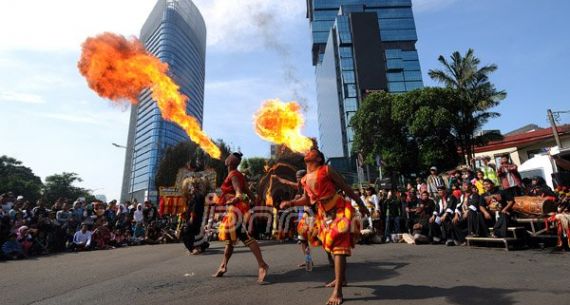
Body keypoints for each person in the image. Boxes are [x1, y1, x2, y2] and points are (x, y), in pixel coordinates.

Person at [280, 149, 369, 305]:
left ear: (319, 158)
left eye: (312, 151)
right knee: (330, 246)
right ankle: (342, 278)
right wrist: (291, 203)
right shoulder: (304, 179)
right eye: (307, 152)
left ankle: (338, 291)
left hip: (339, 209)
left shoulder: (326, 170)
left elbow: (345, 187)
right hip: (323, 214)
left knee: (339, 246)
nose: (307, 152)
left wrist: (361, 204)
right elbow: (307, 200)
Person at [212, 152, 269, 284]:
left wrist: (235, 199)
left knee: (244, 237)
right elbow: (249, 193)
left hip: (236, 210)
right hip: (236, 210)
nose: (226, 158)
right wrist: (256, 202)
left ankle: (262, 265)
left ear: (231, 161)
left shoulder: (234, 175)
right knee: (230, 239)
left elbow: (239, 192)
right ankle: (223, 265)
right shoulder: (237, 175)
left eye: (230, 156)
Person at [181, 176, 210, 255]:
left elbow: (195, 208)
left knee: (186, 232)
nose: (190, 189)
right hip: (195, 218)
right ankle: (202, 246)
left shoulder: (198, 196)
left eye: (191, 187)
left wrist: (191, 217)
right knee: (195, 233)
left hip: (195, 218)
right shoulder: (194, 196)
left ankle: (192, 248)